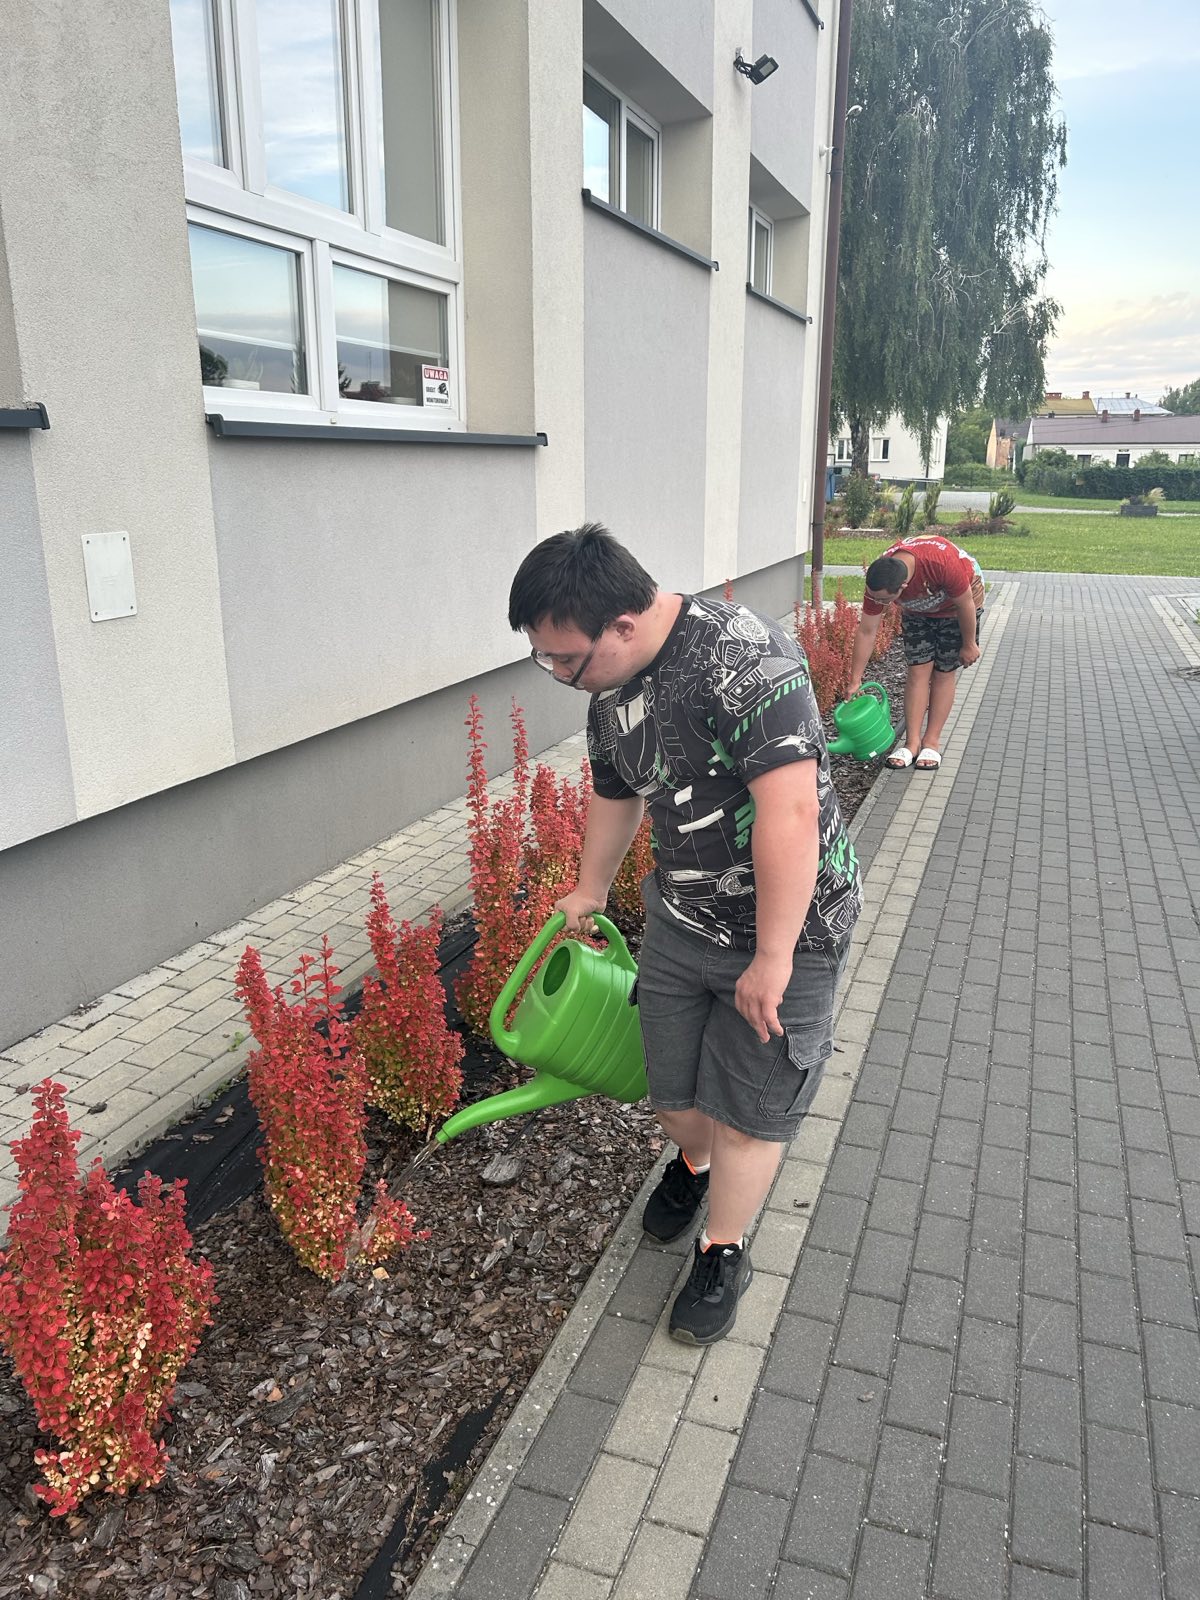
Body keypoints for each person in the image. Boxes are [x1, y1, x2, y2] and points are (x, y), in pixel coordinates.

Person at [507, 524, 861, 1344]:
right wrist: (590, 889)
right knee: (671, 1097)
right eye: (543, 658)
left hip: (790, 928)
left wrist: (772, 957)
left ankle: (722, 1248)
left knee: (747, 1113)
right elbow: (615, 792)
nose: (557, 674)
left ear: (622, 624)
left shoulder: (746, 659)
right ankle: (694, 1165)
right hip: (682, 916)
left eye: (565, 659)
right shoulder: (610, 688)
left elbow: (790, 813)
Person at [845, 530, 984, 771]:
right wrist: (855, 679)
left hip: (958, 608)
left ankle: (931, 742)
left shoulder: (941, 563)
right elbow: (867, 630)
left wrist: (969, 644)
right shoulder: (880, 579)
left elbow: (966, 604)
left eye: (885, 600)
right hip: (918, 612)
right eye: (875, 598)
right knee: (917, 672)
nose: (878, 603)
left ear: (904, 586)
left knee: (943, 672)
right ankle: (912, 743)